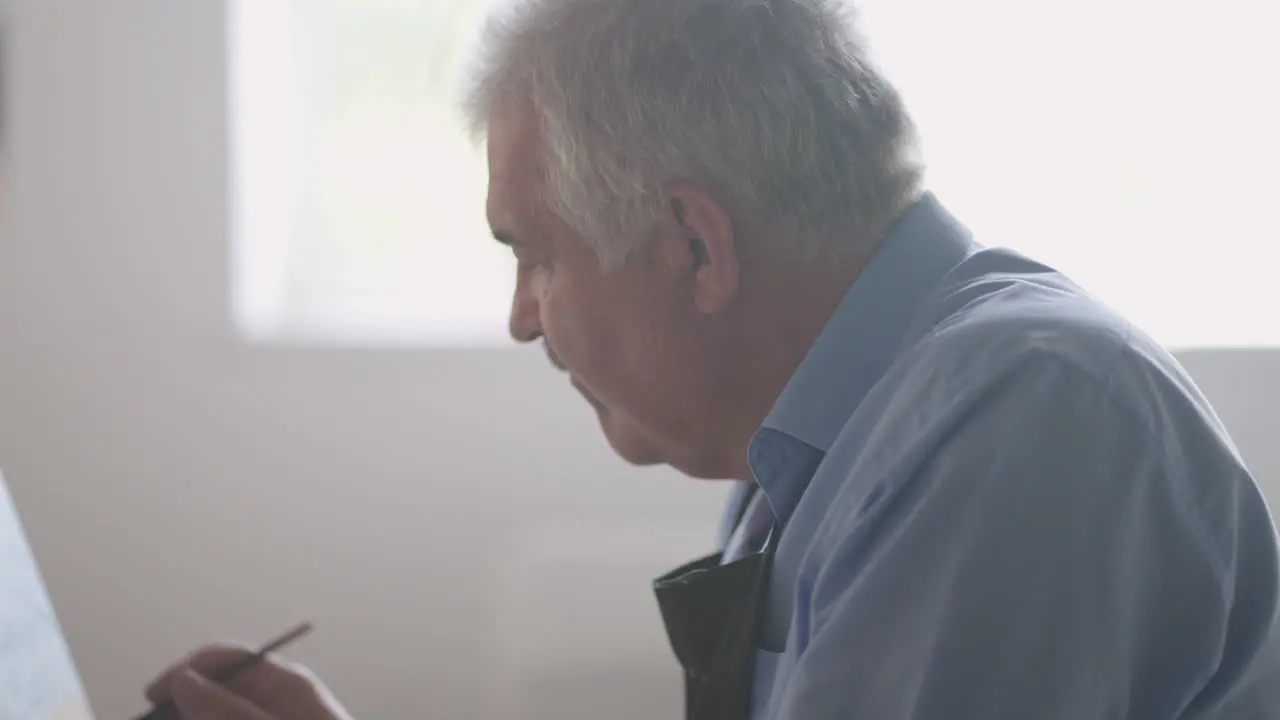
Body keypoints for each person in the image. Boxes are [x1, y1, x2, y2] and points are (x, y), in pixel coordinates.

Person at [144, 0, 1280, 717]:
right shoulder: (816, 442)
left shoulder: (1020, 418)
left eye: (534, 257)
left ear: (695, 242)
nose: (521, 321)